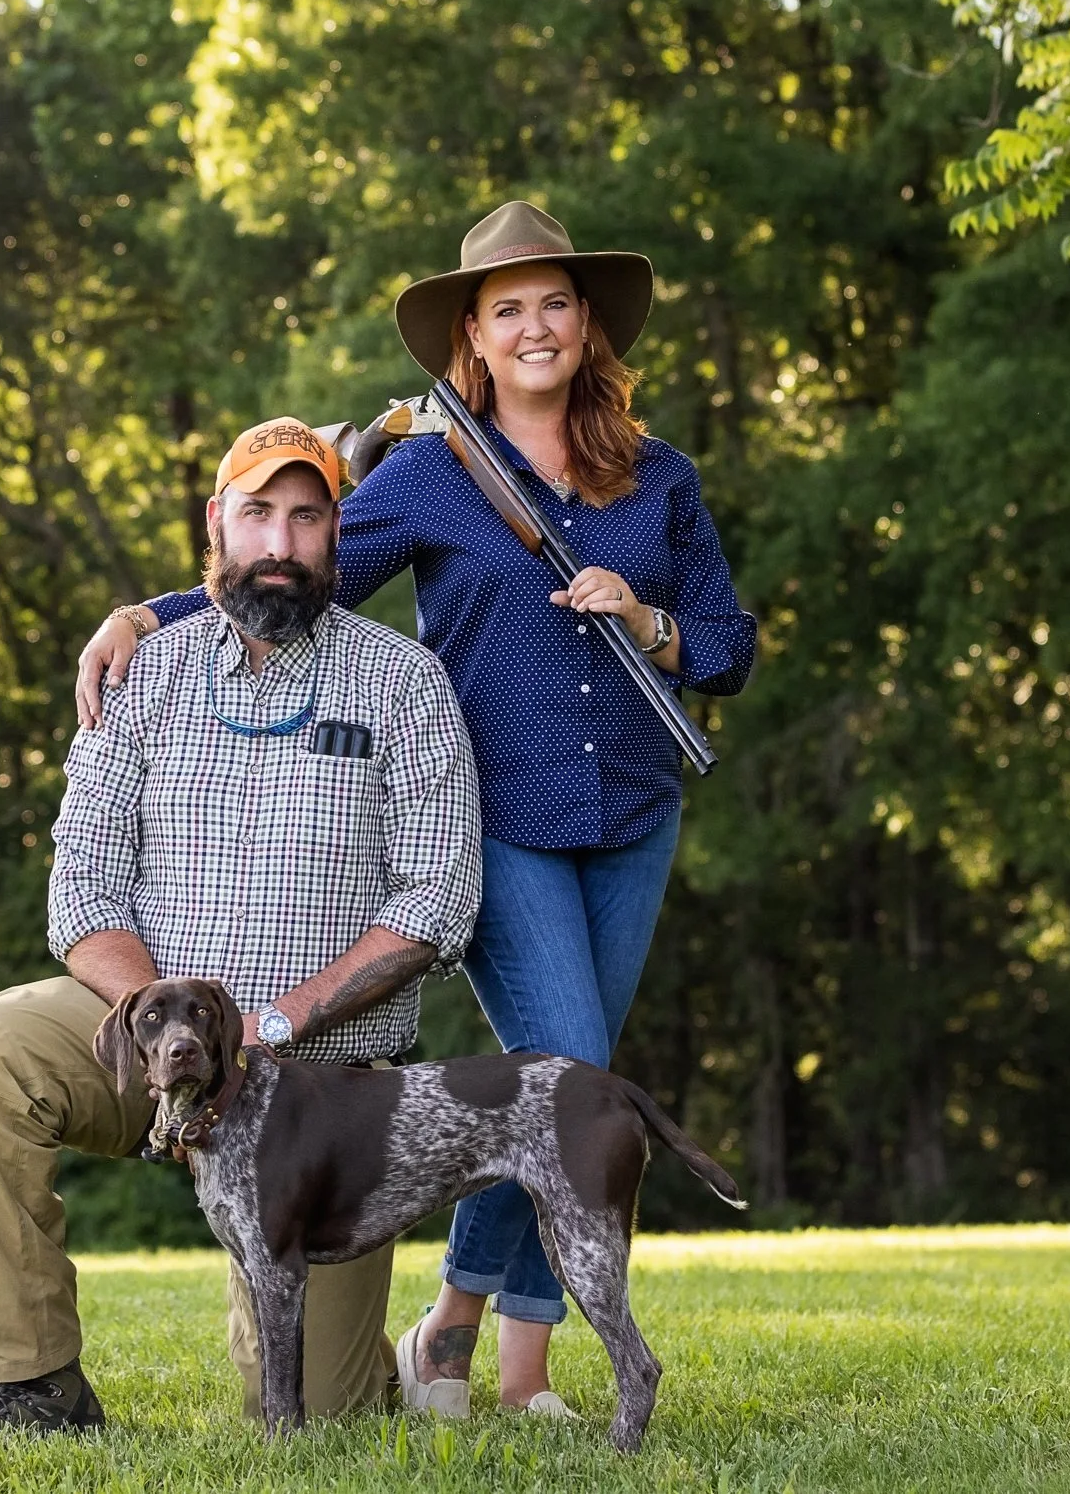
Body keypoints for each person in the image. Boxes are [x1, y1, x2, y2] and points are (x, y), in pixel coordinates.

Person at [74, 201, 756, 1417]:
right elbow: (292, 570)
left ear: (587, 323)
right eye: (507, 309)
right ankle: (486, 1353)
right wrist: (143, 615)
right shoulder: (434, 473)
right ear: (472, 339)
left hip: (633, 813)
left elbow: (728, 644)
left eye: (555, 302)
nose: (535, 326)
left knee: (567, 1090)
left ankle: (461, 1336)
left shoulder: (658, 476)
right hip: (502, 817)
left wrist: (647, 618)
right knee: (566, 1068)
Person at [0, 417, 482, 1435]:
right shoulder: (143, 675)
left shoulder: (404, 682)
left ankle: (364, 1344)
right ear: (216, 524)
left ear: (336, 534)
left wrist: (264, 1030)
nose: (280, 541)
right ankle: (33, 1383)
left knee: (323, 1418)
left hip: (315, 1081)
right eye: (257, 513)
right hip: (142, 1031)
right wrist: (168, 1033)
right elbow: (81, 888)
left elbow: (436, 901)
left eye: (305, 516)